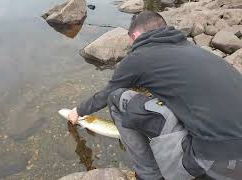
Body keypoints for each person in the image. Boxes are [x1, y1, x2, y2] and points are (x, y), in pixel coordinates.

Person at [67, 11, 242, 180]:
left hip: (215, 162)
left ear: (135, 35)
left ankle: (148, 175)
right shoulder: (193, 50)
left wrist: (78, 110)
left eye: (131, 42)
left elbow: (106, 94)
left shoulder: (139, 57)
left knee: (116, 98)